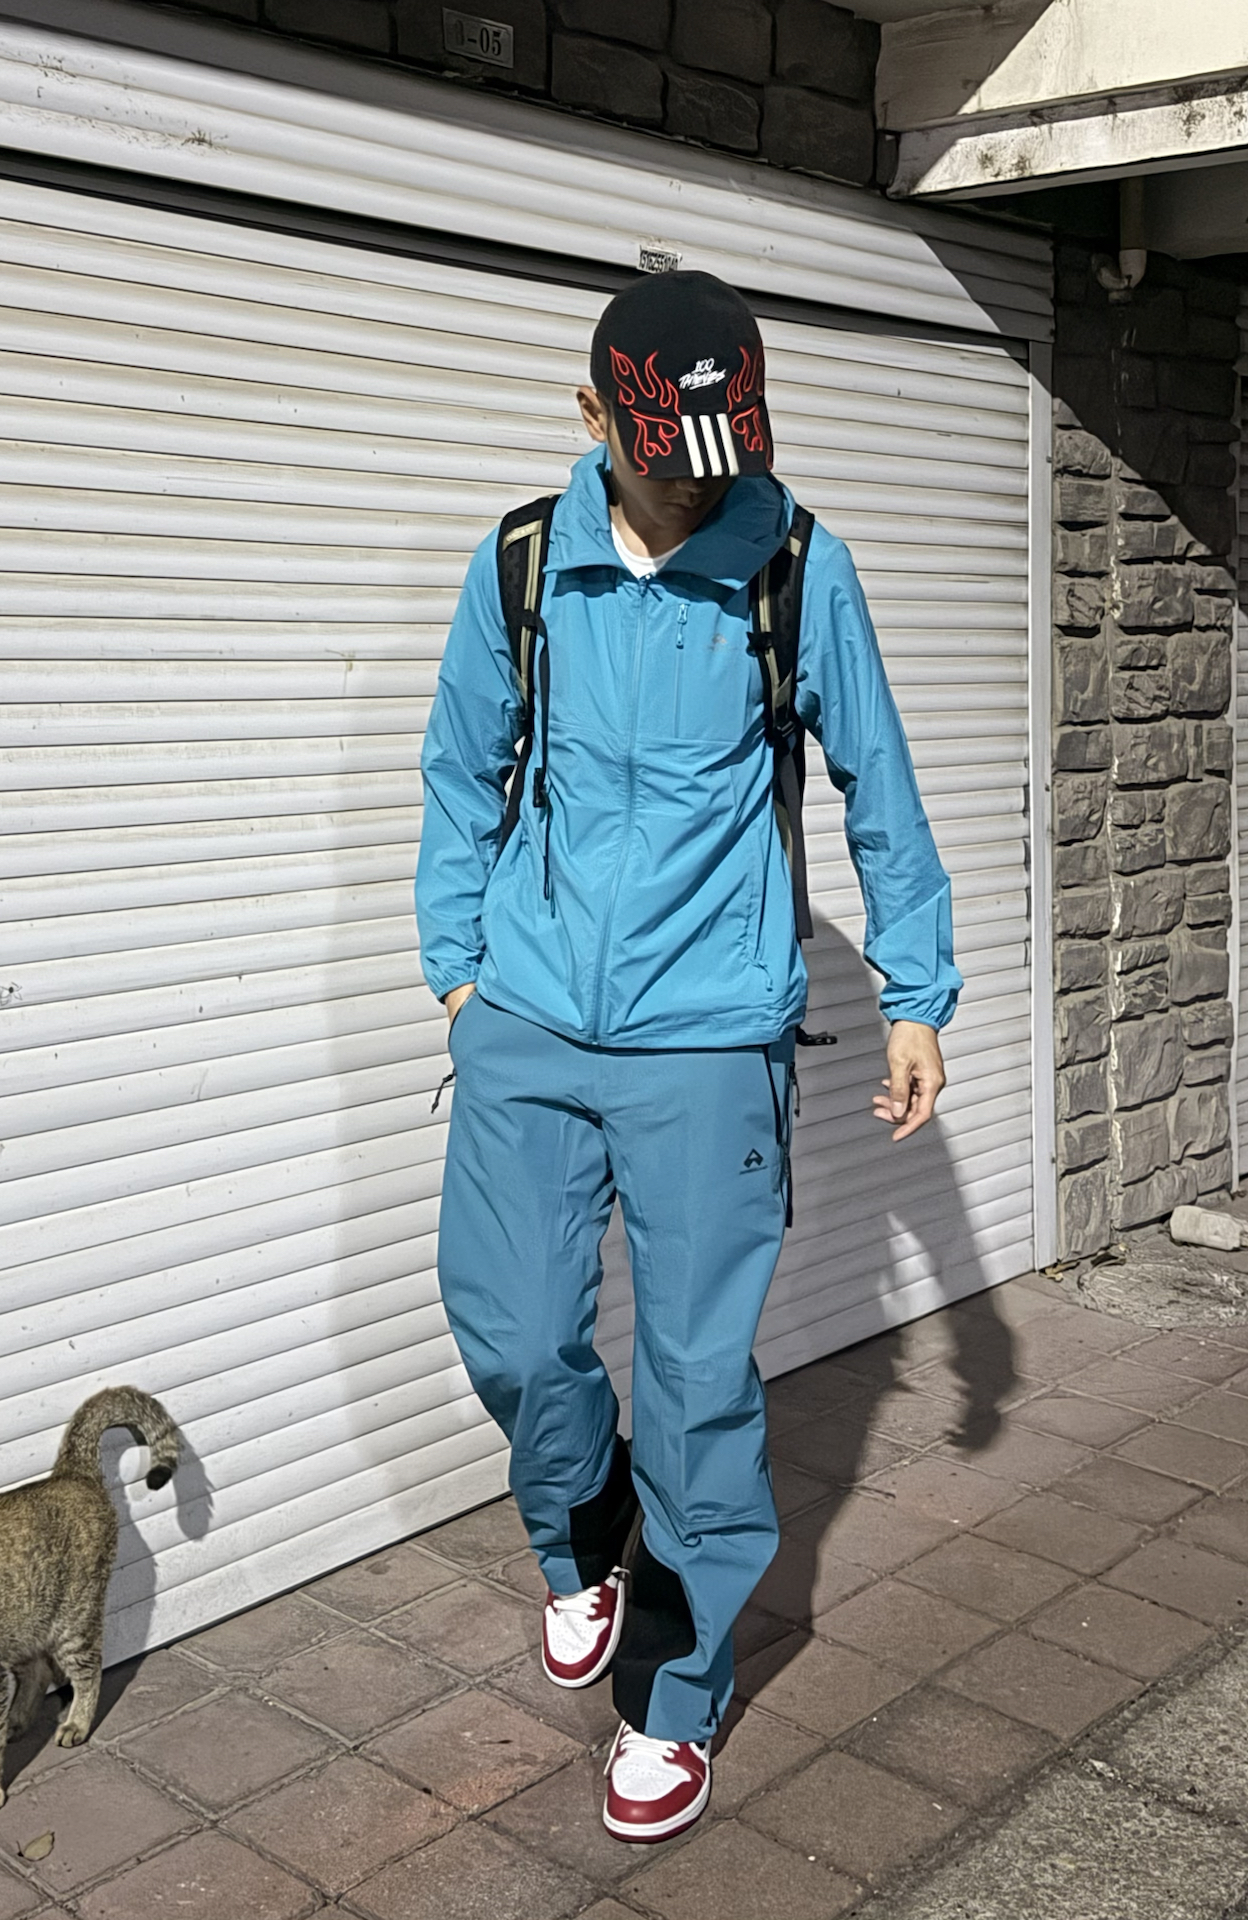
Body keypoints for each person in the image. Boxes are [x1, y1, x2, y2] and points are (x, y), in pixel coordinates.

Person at [415, 271, 959, 1843]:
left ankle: (671, 1689)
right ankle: (581, 1525)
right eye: (663, 458)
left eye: (725, 454)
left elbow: (878, 783)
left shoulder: (796, 564)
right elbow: (461, 768)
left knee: (698, 1380)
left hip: (713, 1038)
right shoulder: (527, 562)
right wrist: (459, 973)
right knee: (513, 1332)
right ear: (593, 415)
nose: (699, 487)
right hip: (527, 1020)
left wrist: (917, 994)